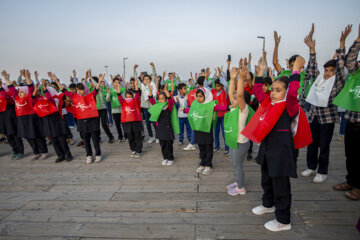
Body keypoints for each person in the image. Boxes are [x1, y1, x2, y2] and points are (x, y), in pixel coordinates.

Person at [243, 56, 311, 232]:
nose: (272, 93)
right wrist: (259, 73)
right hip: (267, 150)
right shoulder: (269, 104)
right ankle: (268, 204)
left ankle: (283, 220)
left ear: (286, 92)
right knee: (266, 180)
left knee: (281, 186)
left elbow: (294, 93)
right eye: (272, 89)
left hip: (281, 153)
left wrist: (295, 71)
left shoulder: (289, 106)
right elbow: (258, 92)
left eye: (278, 90)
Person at [301, 25, 350, 183]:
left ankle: (322, 171)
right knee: (312, 144)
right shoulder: (320, 79)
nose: (328, 73)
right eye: (326, 70)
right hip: (314, 116)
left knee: (324, 146)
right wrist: (312, 50)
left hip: (327, 119)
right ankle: (311, 166)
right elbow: (312, 68)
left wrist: (342, 44)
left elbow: (342, 66)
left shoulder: (337, 83)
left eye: (331, 70)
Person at [333, 24, 360, 200]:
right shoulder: (357, 71)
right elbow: (348, 61)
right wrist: (357, 41)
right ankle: (351, 180)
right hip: (351, 120)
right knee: (350, 154)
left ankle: (358, 187)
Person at [56, 71, 104, 164]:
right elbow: (64, 91)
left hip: (92, 120)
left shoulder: (90, 96)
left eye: (81, 89)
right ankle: (89, 155)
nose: (80, 91)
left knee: (95, 139)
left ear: (85, 89)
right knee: (86, 140)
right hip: (82, 121)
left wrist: (99, 82)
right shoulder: (74, 96)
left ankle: (98, 154)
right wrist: (56, 81)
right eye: (78, 89)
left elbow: (96, 90)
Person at [184, 85, 227, 175]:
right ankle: (202, 163)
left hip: (207, 131)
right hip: (198, 130)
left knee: (208, 147)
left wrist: (229, 107)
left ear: (206, 96)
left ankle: (209, 165)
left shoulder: (210, 105)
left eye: (201, 96)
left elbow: (218, 108)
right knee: (201, 148)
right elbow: (191, 110)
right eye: (197, 96)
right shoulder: (196, 104)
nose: (198, 98)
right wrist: (184, 109)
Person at [6, 70, 48, 160]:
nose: (20, 94)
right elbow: (11, 89)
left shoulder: (29, 97)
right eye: (19, 92)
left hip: (32, 119)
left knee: (37, 136)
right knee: (29, 137)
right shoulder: (16, 98)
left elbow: (31, 88)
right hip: (22, 119)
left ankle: (44, 152)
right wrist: (7, 79)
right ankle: (36, 152)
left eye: (22, 92)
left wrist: (28, 78)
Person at [33, 77, 73, 163]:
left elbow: (50, 100)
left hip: (56, 121)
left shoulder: (55, 98)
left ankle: (68, 154)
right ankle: (60, 155)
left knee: (61, 140)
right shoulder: (41, 100)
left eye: (45, 91)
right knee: (54, 141)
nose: (43, 93)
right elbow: (33, 100)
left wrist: (45, 88)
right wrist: (35, 91)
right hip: (47, 122)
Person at [226, 63, 251, 196]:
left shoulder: (243, 109)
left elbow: (239, 96)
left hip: (241, 143)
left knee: (238, 165)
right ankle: (237, 181)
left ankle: (241, 188)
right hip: (233, 141)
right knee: (233, 163)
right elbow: (231, 92)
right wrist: (232, 78)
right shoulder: (234, 108)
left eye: (236, 98)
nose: (234, 98)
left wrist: (240, 79)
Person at [148, 83, 175, 166]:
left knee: (169, 144)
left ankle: (170, 158)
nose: (160, 100)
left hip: (168, 128)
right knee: (162, 144)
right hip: (160, 129)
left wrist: (166, 91)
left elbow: (170, 100)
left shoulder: (169, 106)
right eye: (159, 99)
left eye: (163, 99)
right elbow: (151, 100)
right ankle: (165, 157)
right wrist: (150, 91)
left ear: (166, 99)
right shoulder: (157, 106)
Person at [115, 77, 143, 158]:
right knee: (130, 137)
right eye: (127, 97)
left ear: (132, 96)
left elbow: (137, 95)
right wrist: (118, 89)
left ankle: (139, 150)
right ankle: (133, 149)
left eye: (130, 96)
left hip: (135, 122)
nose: (128, 98)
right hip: (127, 122)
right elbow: (119, 97)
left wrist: (136, 85)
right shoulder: (123, 102)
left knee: (137, 136)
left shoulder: (136, 101)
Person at [0, 75, 24, 159]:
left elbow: (5, 97)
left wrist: (1, 87)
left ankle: (20, 151)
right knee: (8, 135)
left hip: (10, 115)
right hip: (2, 116)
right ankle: (15, 150)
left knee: (14, 133)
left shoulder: (8, 95)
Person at [134, 63, 157, 144]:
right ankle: (151, 136)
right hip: (145, 107)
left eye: (148, 79)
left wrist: (153, 67)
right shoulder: (142, 86)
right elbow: (136, 79)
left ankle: (157, 136)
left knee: (154, 122)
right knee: (147, 123)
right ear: (143, 81)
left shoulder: (153, 85)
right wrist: (134, 70)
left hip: (152, 107)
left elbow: (154, 76)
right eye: (145, 79)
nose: (147, 80)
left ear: (150, 80)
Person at [211, 77, 230, 154]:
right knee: (216, 132)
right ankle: (217, 146)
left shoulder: (225, 92)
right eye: (216, 86)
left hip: (224, 115)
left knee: (224, 132)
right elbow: (206, 87)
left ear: (222, 86)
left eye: (218, 86)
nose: (217, 87)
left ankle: (227, 147)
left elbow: (226, 86)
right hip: (216, 115)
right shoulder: (213, 92)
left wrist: (221, 77)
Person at [106, 77, 125, 142]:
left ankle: (126, 136)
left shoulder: (122, 89)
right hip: (114, 110)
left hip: (122, 110)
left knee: (124, 124)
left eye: (118, 82)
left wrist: (120, 90)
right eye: (115, 82)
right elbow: (108, 100)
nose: (117, 84)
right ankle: (120, 137)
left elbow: (124, 99)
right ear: (113, 83)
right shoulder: (111, 90)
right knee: (117, 125)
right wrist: (108, 94)